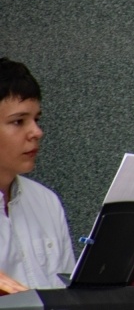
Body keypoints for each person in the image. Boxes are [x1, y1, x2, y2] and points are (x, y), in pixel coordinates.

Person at [0, 58, 76, 292]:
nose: (36, 132)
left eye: (37, 119)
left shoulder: (46, 202)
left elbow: (69, 298)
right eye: (18, 121)